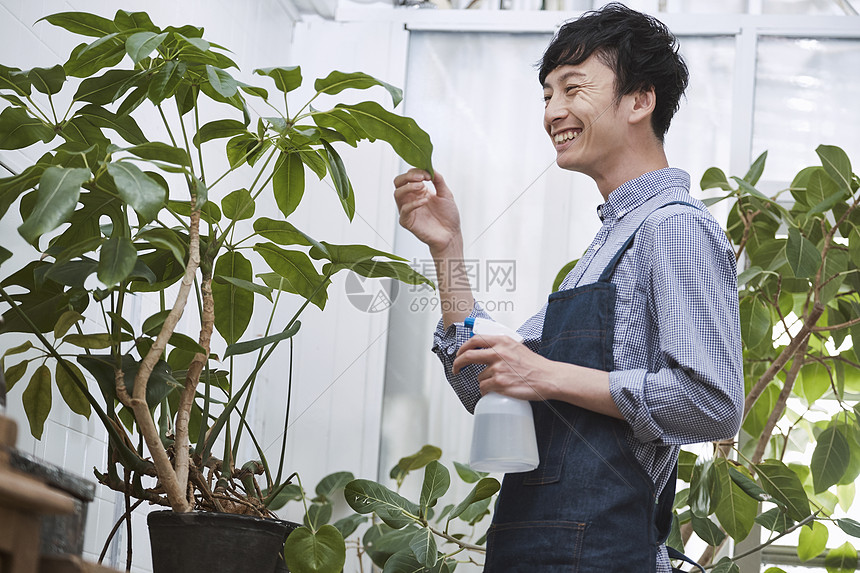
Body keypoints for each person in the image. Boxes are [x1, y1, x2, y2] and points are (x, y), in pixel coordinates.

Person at [393, 3, 743, 572]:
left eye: (573, 88)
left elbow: (712, 404)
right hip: (533, 548)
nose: (553, 111)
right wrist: (447, 250)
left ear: (639, 99)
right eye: (547, 96)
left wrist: (547, 374)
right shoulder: (603, 249)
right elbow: (487, 385)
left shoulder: (674, 226)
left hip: (601, 554)